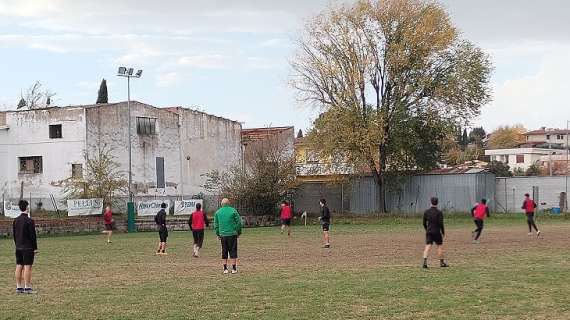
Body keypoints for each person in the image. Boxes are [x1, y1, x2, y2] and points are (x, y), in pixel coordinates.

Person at [13, 200, 38, 294]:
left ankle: (19, 287)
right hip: (28, 248)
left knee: (19, 266)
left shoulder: (15, 220)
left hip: (18, 247)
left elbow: (15, 235)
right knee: (28, 267)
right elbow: (32, 236)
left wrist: (17, 245)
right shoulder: (30, 221)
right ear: (27, 208)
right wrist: (35, 248)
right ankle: (27, 287)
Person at [214, 198, 242, 274]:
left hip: (223, 234)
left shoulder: (218, 212)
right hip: (232, 234)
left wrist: (218, 234)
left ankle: (225, 268)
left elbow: (216, 225)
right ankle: (234, 268)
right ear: (229, 203)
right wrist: (238, 232)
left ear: (221, 204)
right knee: (233, 250)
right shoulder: (233, 210)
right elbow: (239, 222)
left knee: (224, 250)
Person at [422, 197, 448, 268]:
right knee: (439, 246)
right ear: (437, 203)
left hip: (429, 231)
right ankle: (442, 263)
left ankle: (424, 262)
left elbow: (424, 223)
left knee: (428, 246)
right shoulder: (439, 212)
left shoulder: (426, 212)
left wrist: (427, 229)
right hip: (436, 232)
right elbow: (441, 223)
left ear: (431, 202)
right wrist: (443, 232)